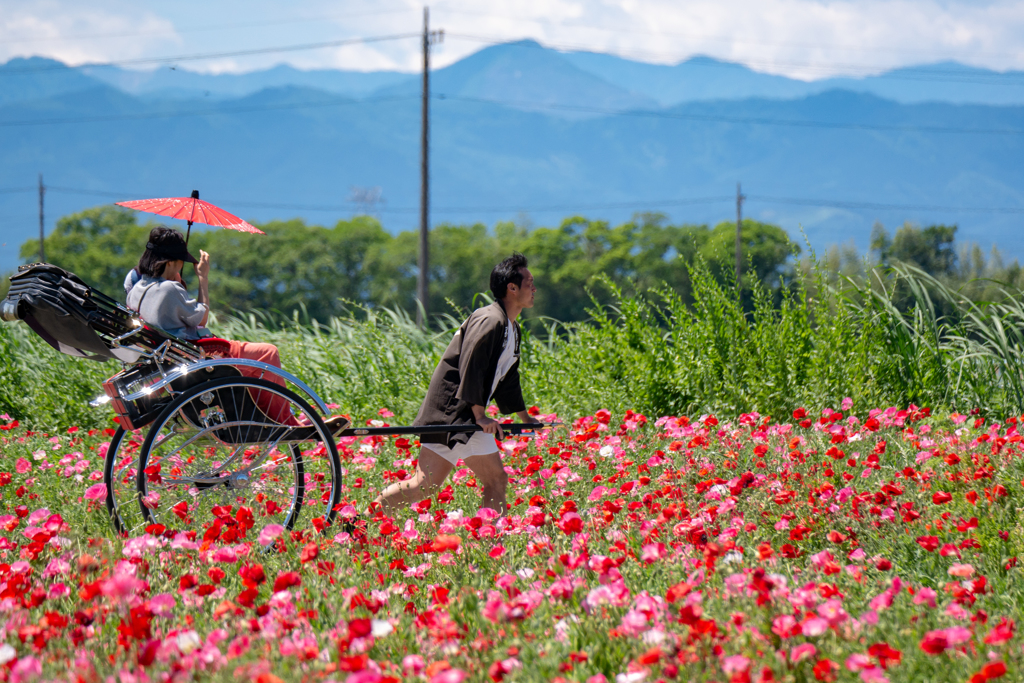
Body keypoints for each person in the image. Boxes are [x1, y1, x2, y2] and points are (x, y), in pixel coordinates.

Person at [125, 226, 346, 432]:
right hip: (198, 355)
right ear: (171, 262)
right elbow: (201, 319)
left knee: (257, 363)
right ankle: (288, 421)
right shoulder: (169, 289)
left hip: (170, 359)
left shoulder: (136, 290)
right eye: (181, 261)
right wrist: (203, 278)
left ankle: (275, 417)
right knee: (268, 353)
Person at [375, 253, 541, 515]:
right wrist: (480, 415)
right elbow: (471, 366)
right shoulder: (491, 320)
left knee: (492, 481)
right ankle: (360, 520)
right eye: (529, 282)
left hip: (468, 419)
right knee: (423, 487)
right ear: (512, 287)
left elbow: (508, 377)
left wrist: (525, 417)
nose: (534, 288)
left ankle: (490, 541)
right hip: (451, 415)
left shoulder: (511, 327)